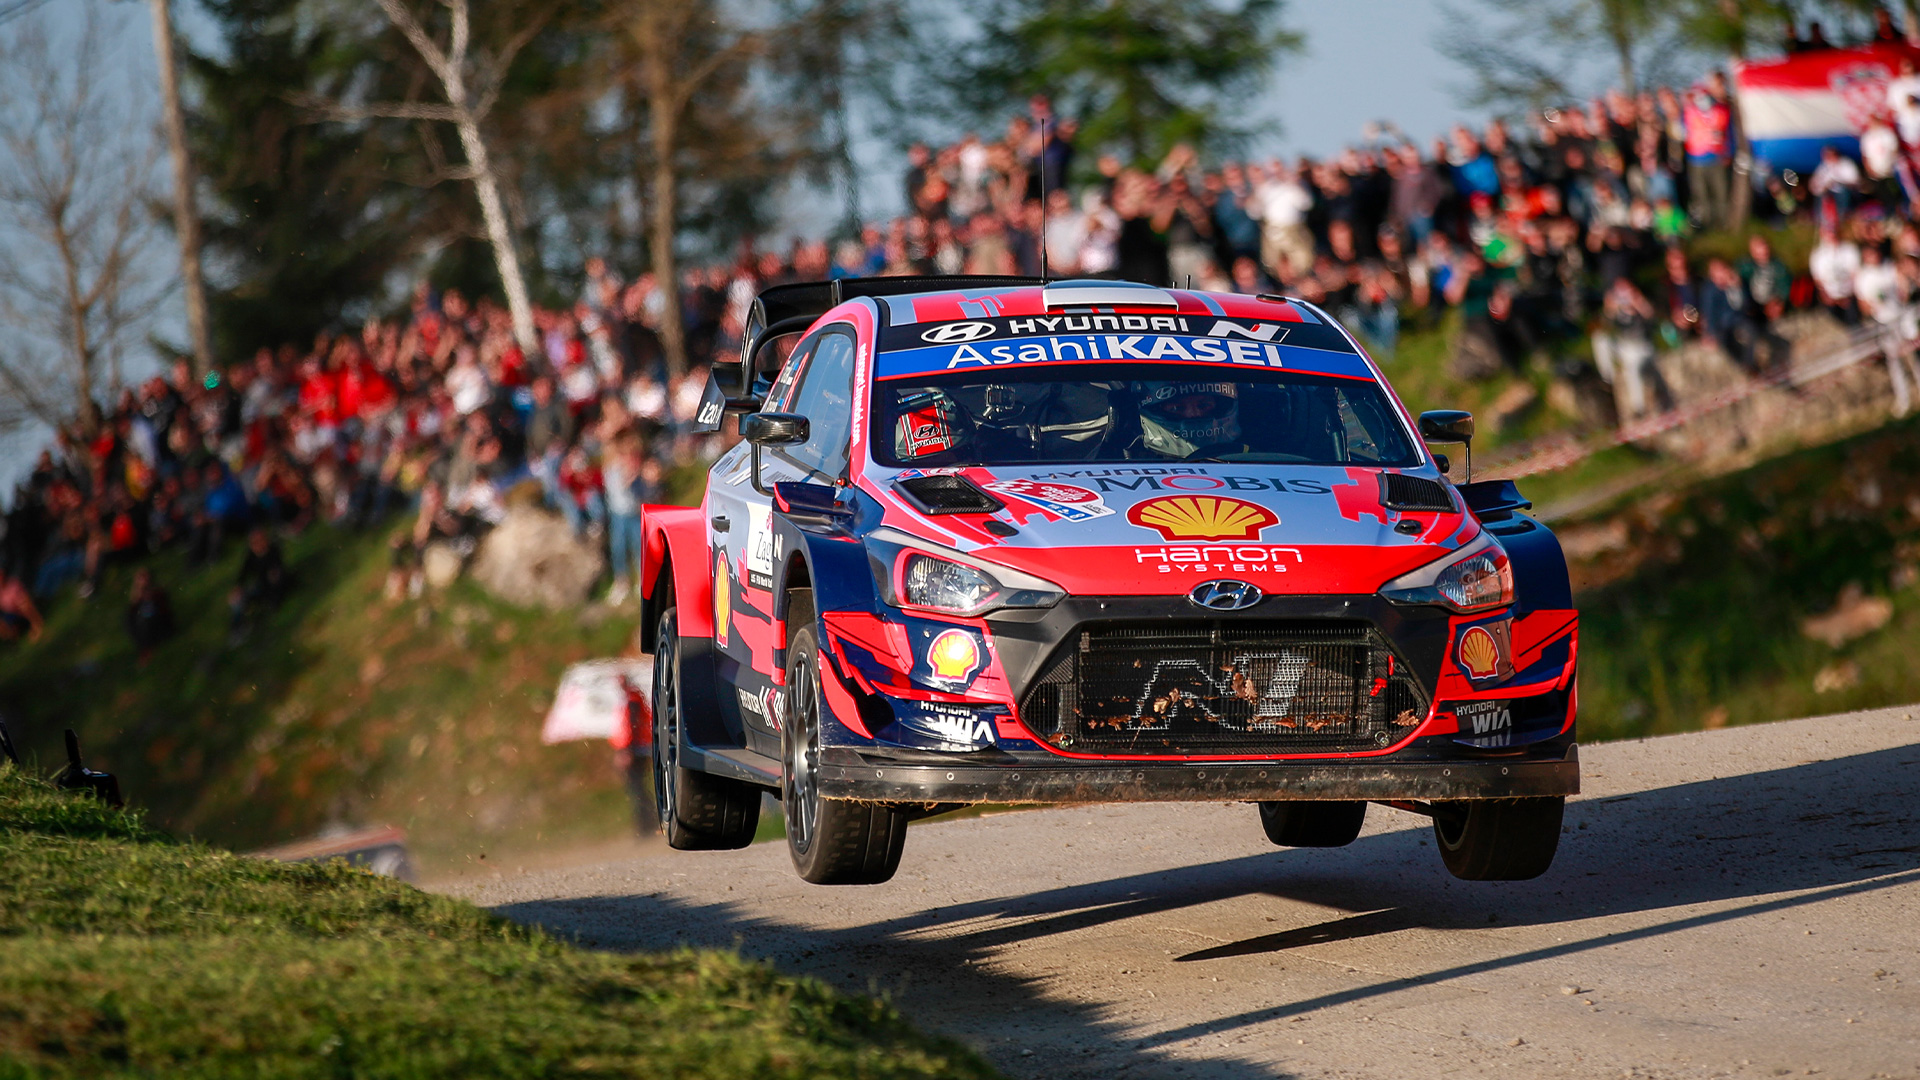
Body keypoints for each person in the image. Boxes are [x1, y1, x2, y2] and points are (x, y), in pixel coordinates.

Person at [125, 567, 175, 661]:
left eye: (144, 577)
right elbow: (131, 614)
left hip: (160, 625)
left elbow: (164, 611)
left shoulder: (157, 593)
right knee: (131, 620)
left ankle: (148, 648)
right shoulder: (137, 597)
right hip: (143, 627)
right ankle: (144, 647)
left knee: (145, 620)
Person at [0, 568, 43, 643]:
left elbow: (25, 597)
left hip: (22, 609)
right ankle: (11, 638)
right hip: (13, 615)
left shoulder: (13, 585)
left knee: (24, 604)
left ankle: (37, 625)